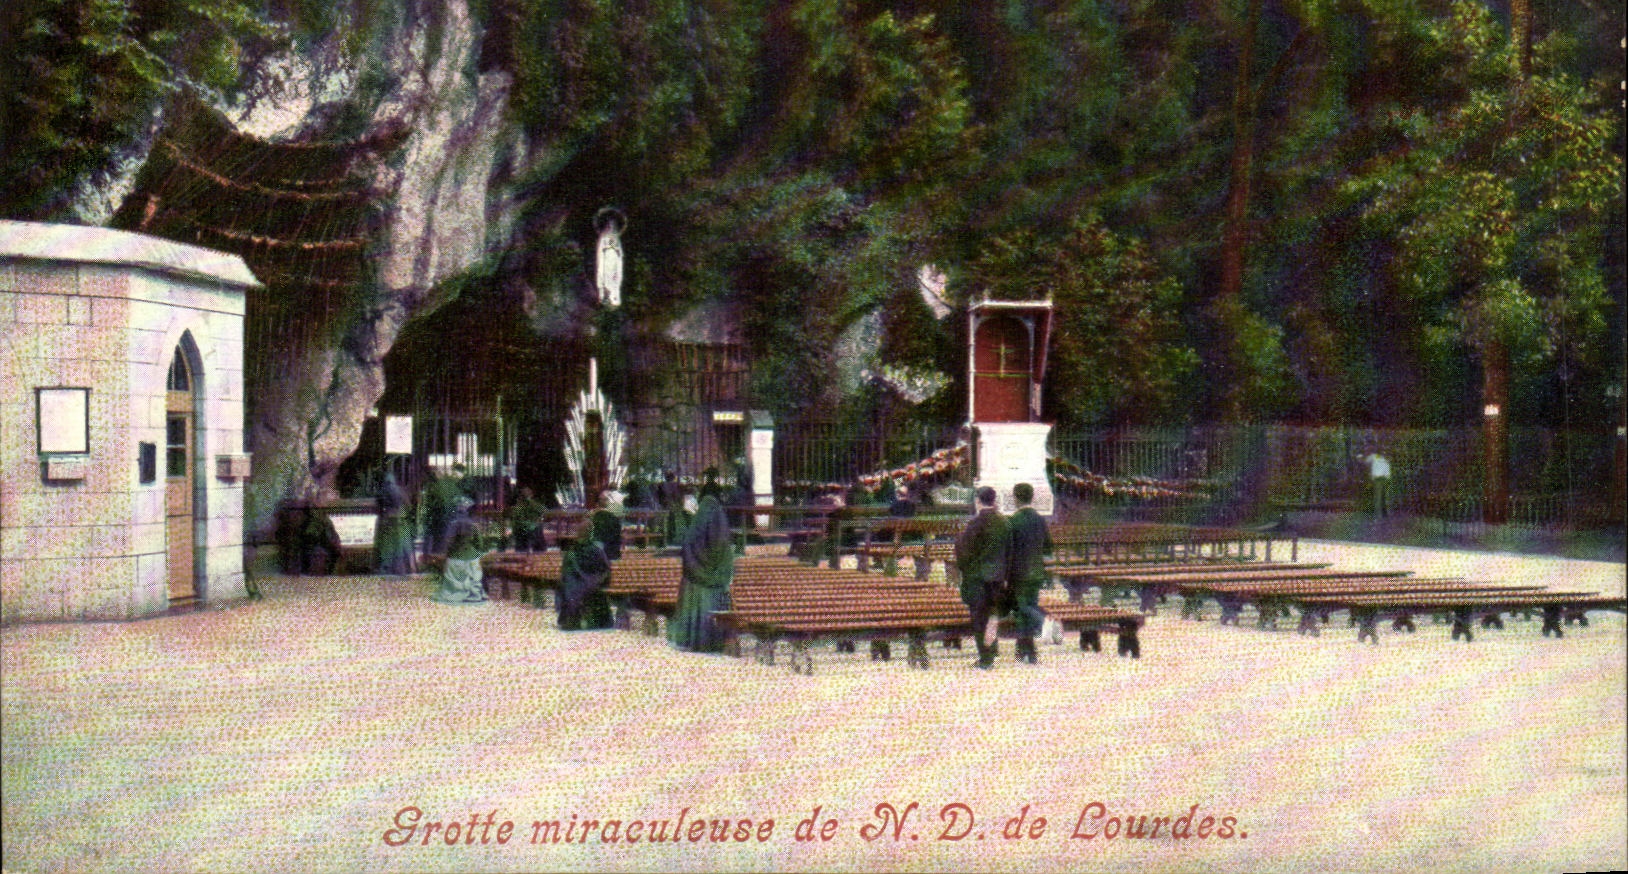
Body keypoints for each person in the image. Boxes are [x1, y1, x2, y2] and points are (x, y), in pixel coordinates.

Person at [668, 495, 734, 653]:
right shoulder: (722, 533)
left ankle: (694, 641)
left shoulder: (695, 530)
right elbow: (726, 561)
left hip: (696, 583)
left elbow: (687, 549)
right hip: (716, 587)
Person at [955, 486, 1010, 669]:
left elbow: (964, 553)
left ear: (978, 500)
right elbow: (1011, 551)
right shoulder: (1004, 523)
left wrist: (965, 569)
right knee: (992, 615)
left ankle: (985, 658)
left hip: (978, 577)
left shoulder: (975, 524)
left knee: (979, 618)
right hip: (998, 576)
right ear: (994, 500)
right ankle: (992, 648)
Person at [1004, 483, 1053, 665]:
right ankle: (1028, 652)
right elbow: (1048, 547)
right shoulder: (1040, 519)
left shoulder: (1013, 521)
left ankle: (1045, 621)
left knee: (1022, 607)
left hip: (1019, 573)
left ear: (1016, 498)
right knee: (1026, 609)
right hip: (1037, 571)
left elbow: (1008, 550)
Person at [557, 521, 613, 630]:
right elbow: (606, 569)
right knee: (571, 587)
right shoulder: (595, 550)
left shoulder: (574, 551)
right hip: (590, 582)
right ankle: (577, 618)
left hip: (582, 583)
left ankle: (572, 619)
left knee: (569, 588)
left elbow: (565, 571)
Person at [432, 498, 488, 604]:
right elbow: (479, 544)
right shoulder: (474, 525)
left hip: (455, 557)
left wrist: (446, 553)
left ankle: (456, 591)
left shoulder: (453, 525)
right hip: (471, 558)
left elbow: (447, 542)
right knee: (475, 570)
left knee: (450, 568)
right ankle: (474, 593)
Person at [374, 470, 416, 574]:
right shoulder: (401, 491)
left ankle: (386, 569)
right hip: (401, 522)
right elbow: (408, 506)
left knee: (387, 548)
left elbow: (378, 508)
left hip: (386, 522)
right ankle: (406, 568)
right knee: (403, 547)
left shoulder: (381, 491)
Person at [506, 486, 546, 552]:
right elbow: (544, 513)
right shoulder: (535, 505)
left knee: (522, 532)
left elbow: (513, 520)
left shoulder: (517, 508)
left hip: (521, 533)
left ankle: (522, 552)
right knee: (538, 528)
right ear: (531, 495)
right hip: (532, 531)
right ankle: (539, 552)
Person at [590, 490, 625, 560]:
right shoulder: (613, 518)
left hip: (597, 552)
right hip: (612, 553)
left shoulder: (591, 516)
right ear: (607, 502)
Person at [656, 469, 685, 545]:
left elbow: (658, 496)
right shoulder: (676, 485)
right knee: (671, 521)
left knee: (663, 521)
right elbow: (678, 496)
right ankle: (671, 536)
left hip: (664, 505)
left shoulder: (662, 485)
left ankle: (663, 538)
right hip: (672, 505)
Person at [1362, 447, 1392, 518]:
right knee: (1378, 497)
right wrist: (1360, 457)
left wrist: (1388, 478)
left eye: (1385, 451)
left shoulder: (1386, 459)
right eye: (1382, 451)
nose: (1383, 453)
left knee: (1386, 497)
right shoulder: (1374, 456)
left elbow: (1388, 469)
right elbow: (1366, 461)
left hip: (1385, 479)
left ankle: (1386, 514)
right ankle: (1378, 515)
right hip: (1377, 479)